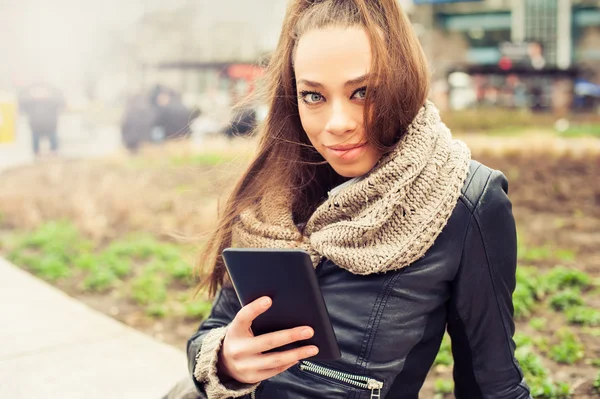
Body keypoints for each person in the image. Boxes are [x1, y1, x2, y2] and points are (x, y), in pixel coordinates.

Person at [168, 1, 532, 398]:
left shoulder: (466, 200)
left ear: (402, 79)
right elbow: (210, 332)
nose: (337, 124)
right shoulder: (277, 189)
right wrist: (226, 361)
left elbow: (494, 385)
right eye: (313, 96)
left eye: (362, 91)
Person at [19, 82, 65, 156]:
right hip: (35, 126)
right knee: (35, 142)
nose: (40, 94)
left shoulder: (51, 101)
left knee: (53, 142)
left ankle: (54, 152)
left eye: (42, 92)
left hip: (50, 125)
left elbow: (61, 104)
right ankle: (36, 153)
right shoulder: (30, 102)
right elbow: (22, 105)